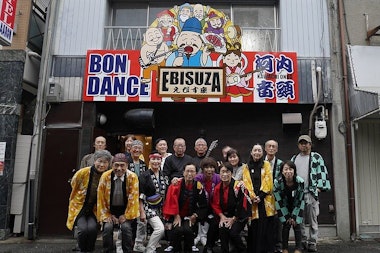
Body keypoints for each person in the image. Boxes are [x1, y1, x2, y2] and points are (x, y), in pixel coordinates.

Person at [66, 150, 113, 253]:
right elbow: (74, 183)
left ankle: (89, 250)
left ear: (108, 164)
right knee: (83, 230)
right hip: (80, 206)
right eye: (99, 161)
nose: (101, 165)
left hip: (95, 208)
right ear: (94, 161)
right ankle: (81, 250)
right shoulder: (83, 172)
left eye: (105, 162)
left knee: (92, 230)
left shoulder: (108, 176)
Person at [291, 135, 331, 252]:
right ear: (298, 145)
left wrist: (319, 188)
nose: (304, 145)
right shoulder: (294, 158)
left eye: (306, 143)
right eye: (301, 143)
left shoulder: (316, 157)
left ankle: (313, 241)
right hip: (299, 194)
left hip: (311, 193)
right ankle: (303, 240)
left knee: (313, 218)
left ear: (310, 144)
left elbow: (322, 172)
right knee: (300, 219)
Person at [97, 153, 140, 253]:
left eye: (122, 165)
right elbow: (101, 198)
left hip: (126, 210)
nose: (119, 168)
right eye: (116, 165)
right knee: (107, 228)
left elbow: (134, 198)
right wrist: (107, 215)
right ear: (112, 165)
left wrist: (126, 215)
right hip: (109, 210)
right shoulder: (105, 176)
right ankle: (107, 250)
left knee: (125, 228)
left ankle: (127, 250)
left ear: (127, 166)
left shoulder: (133, 177)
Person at [163, 162, 208, 253]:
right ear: (183, 172)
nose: (190, 174)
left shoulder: (199, 186)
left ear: (196, 173)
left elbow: (203, 206)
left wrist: (195, 215)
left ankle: (190, 247)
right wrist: (176, 215)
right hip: (175, 214)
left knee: (188, 230)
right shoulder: (176, 184)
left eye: (192, 171)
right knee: (178, 230)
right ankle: (174, 247)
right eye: (187, 171)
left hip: (190, 216)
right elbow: (170, 201)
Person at [242, 144, 276, 253]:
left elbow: (268, 181)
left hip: (264, 200)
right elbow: (246, 182)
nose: (257, 152)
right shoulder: (246, 167)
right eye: (255, 150)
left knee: (265, 227)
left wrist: (260, 196)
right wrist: (252, 197)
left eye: (259, 150)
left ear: (262, 153)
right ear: (251, 152)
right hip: (252, 201)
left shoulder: (266, 165)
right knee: (254, 227)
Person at [211, 162, 251, 253]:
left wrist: (233, 219)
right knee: (222, 229)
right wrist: (222, 216)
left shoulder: (239, 186)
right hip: (226, 216)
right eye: (222, 172)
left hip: (240, 216)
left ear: (231, 173)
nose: (225, 174)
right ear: (219, 174)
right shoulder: (218, 188)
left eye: (227, 172)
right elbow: (215, 204)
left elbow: (242, 204)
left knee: (233, 232)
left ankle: (242, 249)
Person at [139, 151, 169, 253]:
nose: (156, 161)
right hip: (148, 206)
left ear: (161, 161)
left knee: (161, 230)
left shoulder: (164, 175)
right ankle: (150, 249)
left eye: (158, 159)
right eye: (153, 159)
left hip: (161, 207)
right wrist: (142, 211)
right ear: (149, 160)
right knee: (160, 229)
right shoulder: (144, 175)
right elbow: (141, 195)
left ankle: (152, 246)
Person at [274, 160, 305, 253]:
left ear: (294, 171)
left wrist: (294, 216)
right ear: (282, 171)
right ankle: (285, 248)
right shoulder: (277, 182)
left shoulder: (300, 181)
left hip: (296, 205)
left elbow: (300, 200)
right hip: (283, 206)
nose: (288, 171)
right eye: (286, 169)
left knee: (296, 224)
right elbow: (278, 200)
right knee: (286, 225)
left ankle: (298, 248)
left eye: (291, 169)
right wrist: (287, 216)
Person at [194, 157, 221, 251]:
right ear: (202, 169)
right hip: (201, 207)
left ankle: (209, 245)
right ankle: (199, 237)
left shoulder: (218, 178)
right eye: (206, 167)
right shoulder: (198, 178)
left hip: (214, 207)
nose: (209, 170)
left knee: (214, 222)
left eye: (212, 167)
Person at [127, 140, 148, 252]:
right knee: (128, 221)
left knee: (139, 221)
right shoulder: (126, 162)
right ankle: (126, 243)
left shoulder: (143, 164)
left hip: (139, 195)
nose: (137, 150)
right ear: (130, 148)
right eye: (135, 147)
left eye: (139, 148)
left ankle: (137, 243)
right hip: (127, 196)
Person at [265, 139, 283, 253]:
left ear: (276, 149)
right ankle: (267, 244)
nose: (271, 148)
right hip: (264, 197)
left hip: (276, 196)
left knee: (277, 221)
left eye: (273, 147)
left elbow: (282, 180)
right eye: (269, 146)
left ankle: (278, 245)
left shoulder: (281, 164)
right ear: (265, 148)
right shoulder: (261, 162)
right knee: (266, 221)